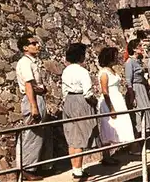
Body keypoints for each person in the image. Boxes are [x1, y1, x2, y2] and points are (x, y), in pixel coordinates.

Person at [15, 33, 53, 181]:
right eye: (33, 43)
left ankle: (38, 166)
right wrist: (34, 107)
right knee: (33, 134)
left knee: (41, 133)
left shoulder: (33, 62)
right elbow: (29, 85)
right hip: (33, 100)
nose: (37, 45)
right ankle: (27, 169)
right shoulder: (25, 63)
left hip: (38, 98)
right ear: (25, 47)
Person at [61, 43, 101, 181]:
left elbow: (64, 90)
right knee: (79, 136)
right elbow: (88, 92)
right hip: (79, 100)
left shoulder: (66, 70)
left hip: (69, 101)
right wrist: (94, 103)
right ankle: (78, 172)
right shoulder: (82, 71)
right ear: (81, 56)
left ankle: (76, 168)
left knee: (71, 136)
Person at [97, 47, 135, 148]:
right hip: (110, 101)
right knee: (108, 127)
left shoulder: (112, 70)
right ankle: (106, 156)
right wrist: (111, 108)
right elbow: (105, 91)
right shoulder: (104, 73)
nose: (117, 58)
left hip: (117, 99)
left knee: (121, 124)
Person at [125, 39, 150, 154]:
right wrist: (132, 96)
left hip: (142, 88)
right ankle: (135, 147)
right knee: (138, 115)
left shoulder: (138, 61)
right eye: (139, 46)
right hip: (136, 89)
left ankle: (142, 144)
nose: (142, 48)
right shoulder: (130, 62)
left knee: (144, 114)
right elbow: (129, 81)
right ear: (134, 49)